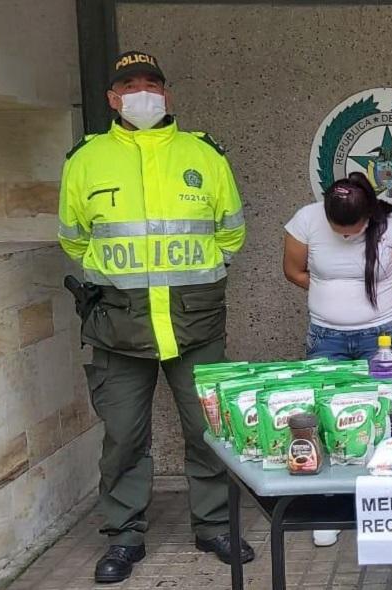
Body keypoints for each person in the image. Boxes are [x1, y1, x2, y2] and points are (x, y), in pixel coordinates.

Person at [57, 51, 252, 583]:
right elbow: (73, 237)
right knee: (123, 434)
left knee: (208, 429)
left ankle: (214, 525)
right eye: (130, 84)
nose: (142, 92)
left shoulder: (203, 154)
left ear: (167, 93)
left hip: (194, 324)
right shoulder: (86, 160)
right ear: (112, 98)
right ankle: (124, 535)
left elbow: (230, 231)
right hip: (120, 327)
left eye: (152, 83)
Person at [283, 172, 392, 548]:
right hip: (325, 336)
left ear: (371, 215)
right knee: (327, 421)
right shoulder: (306, 220)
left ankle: (386, 503)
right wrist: (333, 292)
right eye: (338, 228)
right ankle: (332, 508)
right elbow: (293, 271)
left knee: (385, 420)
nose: (346, 235)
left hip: (378, 337)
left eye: (355, 228)